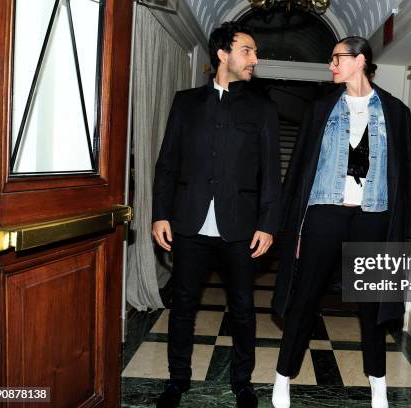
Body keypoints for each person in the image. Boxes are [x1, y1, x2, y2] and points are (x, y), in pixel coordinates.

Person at [271, 36, 411, 408]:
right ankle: (283, 377)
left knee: (371, 305)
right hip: (325, 211)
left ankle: (378, 384)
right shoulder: (320, 109)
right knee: (304, 300)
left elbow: (405, 177)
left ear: (360, 60)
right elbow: (300, 171)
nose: (331, 65)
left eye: (337, 58)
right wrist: (296, 226)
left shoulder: (396, 111)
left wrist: (404, 231)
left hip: (373, 215)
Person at [152, 21, 281, 408]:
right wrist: (160, 214)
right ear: (222, 54)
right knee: (183, 307)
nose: (254, 59)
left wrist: (268, 225)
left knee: (242, 308)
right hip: (188, 225)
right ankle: (177, 380)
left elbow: (272, 174)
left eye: (255, 52)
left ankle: (242, 382)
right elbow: (167, 165)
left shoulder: (262, 109)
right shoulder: (185, 103)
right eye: (247, 51)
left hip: (241, 229)